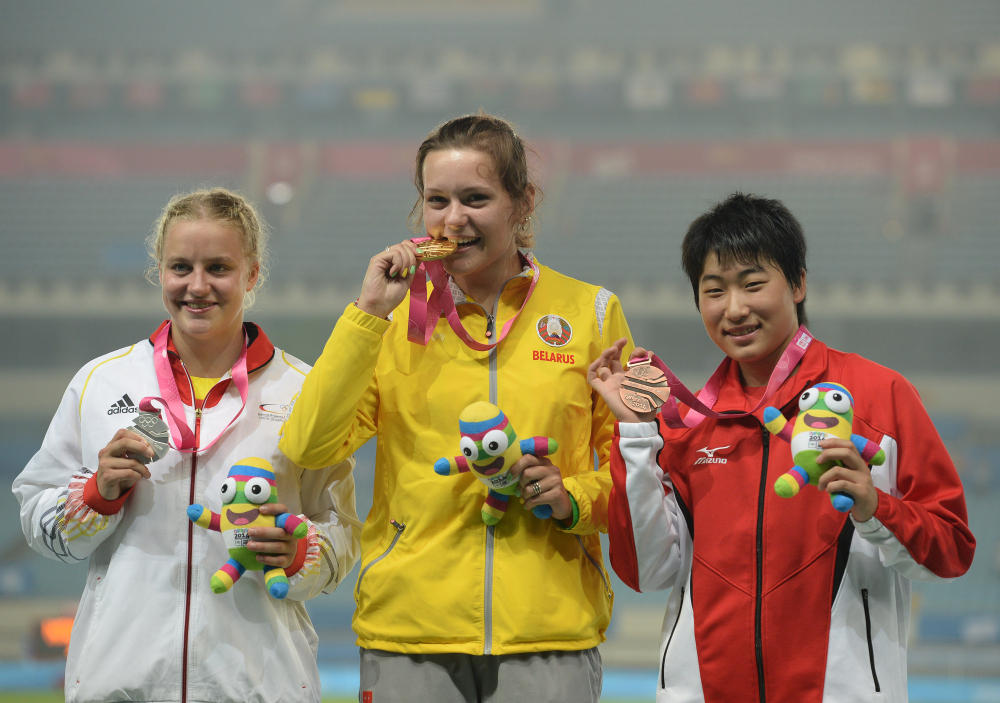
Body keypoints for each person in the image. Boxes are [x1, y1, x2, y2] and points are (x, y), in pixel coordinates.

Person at [279, 113, 634, 702]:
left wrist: (571, 496)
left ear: (523, 203)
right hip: (407, 633)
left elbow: (632, 471)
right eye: (436, 200)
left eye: (476, 198)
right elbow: (309, 446)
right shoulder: (391, 318)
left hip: (548, 632)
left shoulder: (591, 312)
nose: (453, 219)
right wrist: (368, 313)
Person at [588, 192, 976, 703]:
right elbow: (647, 572)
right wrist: (637, 433)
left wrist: (874, 508)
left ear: (797, 284)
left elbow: (952, 550)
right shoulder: (690, 427)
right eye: (714, 291)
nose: (735, 309)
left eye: (753, 284)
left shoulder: (880, 396)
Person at [13, 187, 361, 703]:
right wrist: (94, 495)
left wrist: (298, 554)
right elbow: (37, 520)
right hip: (122, 686)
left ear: (252, 274)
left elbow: (343, 534)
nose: (197, 286)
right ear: (159, 272)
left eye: (218, 267)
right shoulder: (100, 382)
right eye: (181, 267)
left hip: (258, 688)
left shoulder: (305, 391)